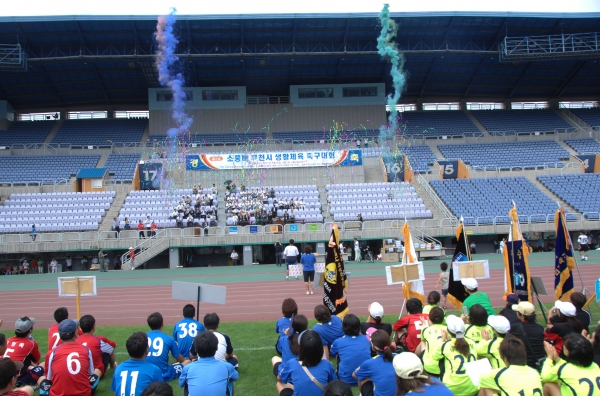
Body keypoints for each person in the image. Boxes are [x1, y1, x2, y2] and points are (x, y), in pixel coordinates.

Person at [38, 319, 96, 396]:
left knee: (41, 379)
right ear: (75, 333)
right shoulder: (86, 350)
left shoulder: (52, 353)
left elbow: (49, 378)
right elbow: (91, 374)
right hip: (84, 394)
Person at [273, 330, 336, 396]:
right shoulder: (327, 364)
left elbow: (280, 378)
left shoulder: (292, 363)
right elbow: (333, 384)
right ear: (320, 348)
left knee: (279, 384)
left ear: (300, 347)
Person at [179, 331, 238, 396]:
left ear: (195, 350)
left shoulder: (187, 368)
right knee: (229, 380)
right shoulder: (227, 366)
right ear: (217, 348)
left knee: (187, 382)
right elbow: (235, 377)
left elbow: (181, 384)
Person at [478, 337, 543, 396]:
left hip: (495, 375)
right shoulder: (535, 372)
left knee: (486, 388)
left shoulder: (499, 374)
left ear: (505, 359)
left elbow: (481, 379)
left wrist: (493, 372)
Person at [432, 315, 478, 396]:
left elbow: (435, 357)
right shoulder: (472, 342)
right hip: (473, 387)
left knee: (442, 359)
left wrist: (442, 340)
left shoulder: (445, 345)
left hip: (452, 389)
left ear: (448, 330)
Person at [145, 312, 189, 382]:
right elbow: (180, 359)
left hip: (146, 373)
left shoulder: (143, 336)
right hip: (164, 374)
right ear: (162, 323)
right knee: (187, 362)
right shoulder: (168, 339)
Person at [353, 329, 397, 396]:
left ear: (373, 347)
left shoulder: (370, 363)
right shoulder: (399, 357)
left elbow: (354, 375)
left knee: (362, 378)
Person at [330, 314, 371, 386]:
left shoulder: (338, 341)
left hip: (345, 380)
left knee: (339, 354)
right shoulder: (367, 339)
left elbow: (332, 352)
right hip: (366, 378)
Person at [3, 317, 44, 386]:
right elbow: (36, 360)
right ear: (30, 330)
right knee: (43, 365)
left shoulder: (8, 340)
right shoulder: (31, 344)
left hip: (3, 374)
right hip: (17, 378)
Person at [511, 301, 546, 370]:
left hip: (523, 363)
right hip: (539, 362)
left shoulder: (515, 327)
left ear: (522, 315)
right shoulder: (540, 328)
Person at [418, 307, 446, 376]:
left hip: (429, 367)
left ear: (429, 319)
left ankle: (416, 361)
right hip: (445, 367)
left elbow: (423, 338)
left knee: (422, 342)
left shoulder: (425, 330)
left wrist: (424, 324)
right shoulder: (448, 329)